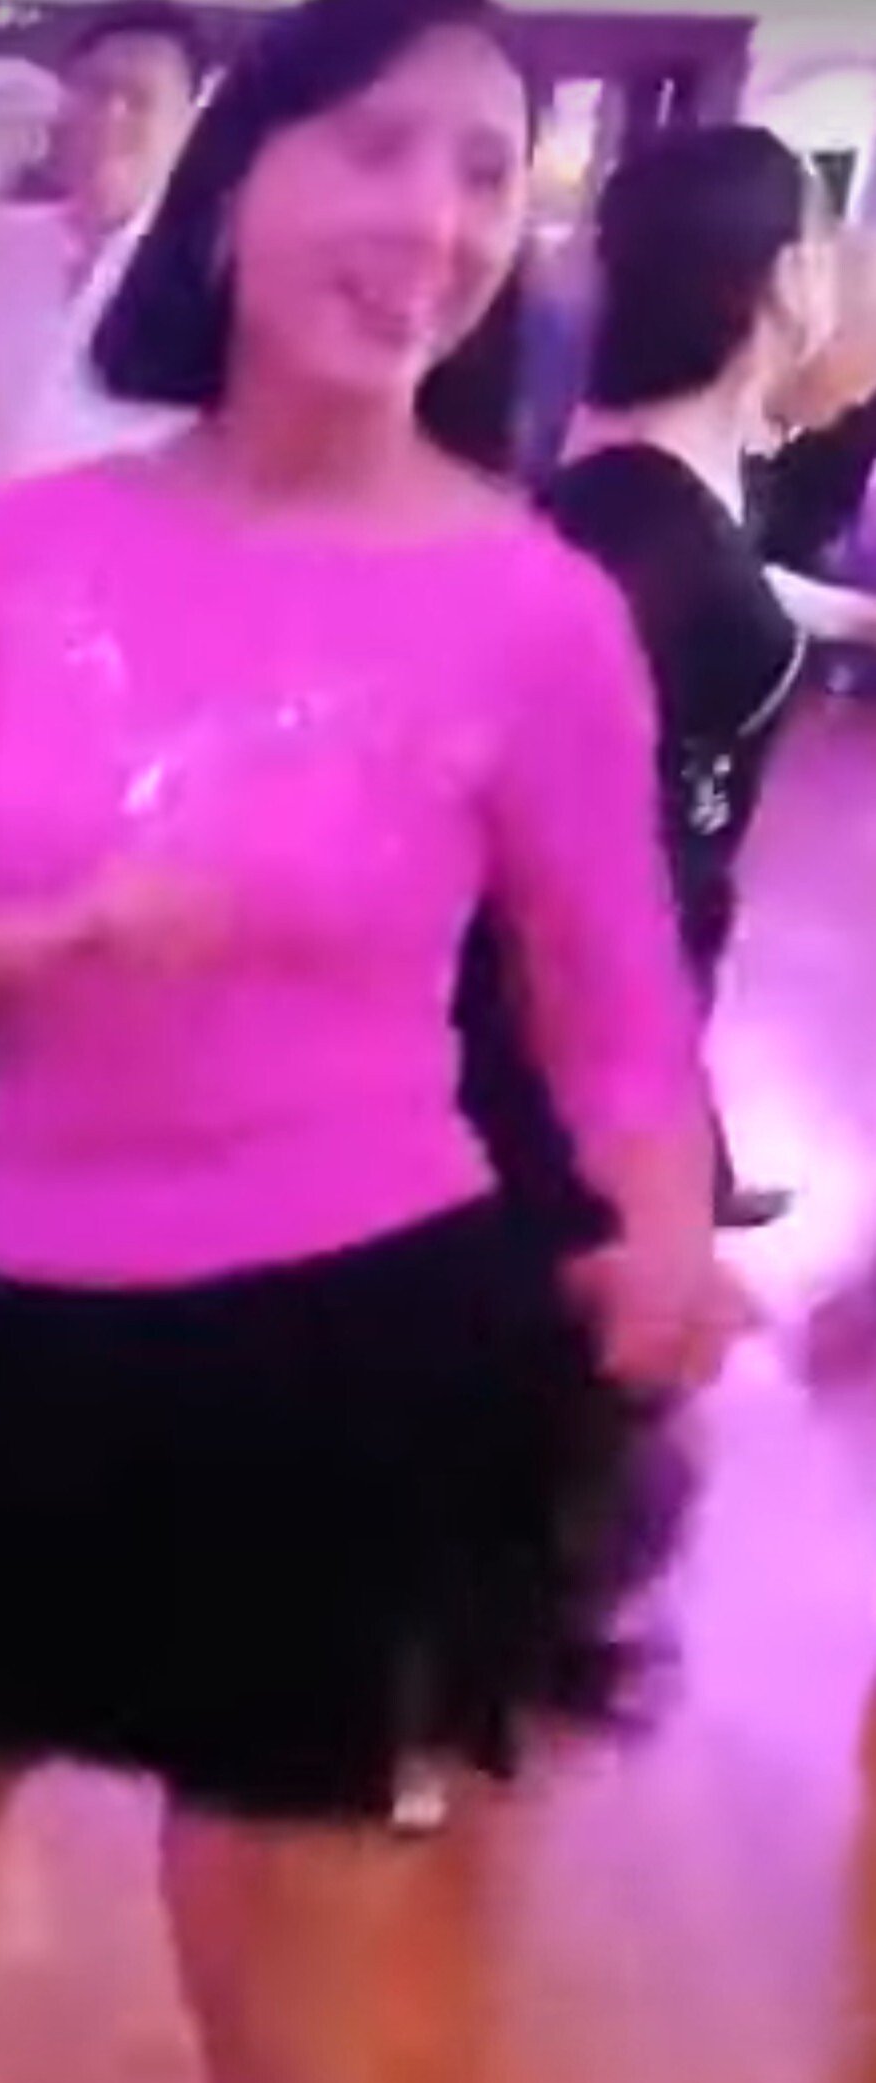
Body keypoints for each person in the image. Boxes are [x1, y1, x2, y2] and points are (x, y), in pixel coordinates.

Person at [0, 5, 739, 2083]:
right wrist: (63, 927)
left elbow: (614, 1017)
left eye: (483, 169)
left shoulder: (530, 612)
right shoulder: (38, 548)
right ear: (237, 180)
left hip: (345, 1318)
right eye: (373, 146)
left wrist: (649, 1232)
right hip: (37, 1313)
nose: (425, 214)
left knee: (250, 1945)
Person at [467, 124, 872, 1260]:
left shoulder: (642, 497)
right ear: (788, 282)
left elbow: (728, 593)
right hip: (565, 1125)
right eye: (828, 248)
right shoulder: (641, 546)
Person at [0, 3, 209, 487]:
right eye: (94, 90)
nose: (109, 116)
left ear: (187, 122)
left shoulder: (210, 279)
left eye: (139, 99)